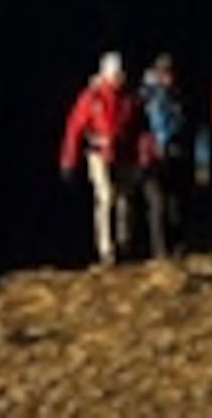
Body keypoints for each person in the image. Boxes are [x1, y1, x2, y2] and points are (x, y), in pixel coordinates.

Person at [56, 51, 140, 266]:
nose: (120, 78)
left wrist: (141, 154)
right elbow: (74, 128)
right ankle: (106, 249)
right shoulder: (91, 98)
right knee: (106, 197)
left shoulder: (128, 97)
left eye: (121, 74)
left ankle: (124, 243)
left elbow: (137, 128)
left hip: (123, 154)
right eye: (116, 74)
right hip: (98, 153)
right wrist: (68, 160)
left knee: (124, 199)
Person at [134, 52, 194, 258]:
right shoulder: (144, 97)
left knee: (175, 203)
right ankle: (159, 248)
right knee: (157, 203)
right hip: (151, 156)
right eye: (164, 73)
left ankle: (177, 243)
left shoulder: (179, 96)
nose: (168, 77)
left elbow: (187, 125)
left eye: (170, 73)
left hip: (174, 154)